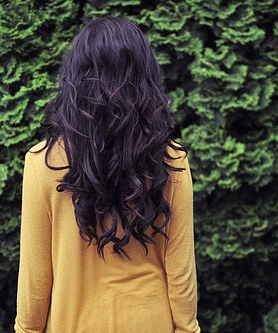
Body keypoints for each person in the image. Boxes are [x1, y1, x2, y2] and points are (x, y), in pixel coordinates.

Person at [15, 16, 200, 333]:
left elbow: (35, 275)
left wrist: (26, 330)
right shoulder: (172, 161)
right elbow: (181, 271)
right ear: (145, 79)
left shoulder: (42, 163)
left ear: (74, 80)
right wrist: (188, 329)